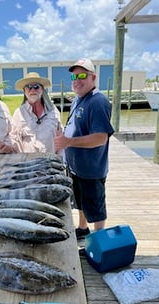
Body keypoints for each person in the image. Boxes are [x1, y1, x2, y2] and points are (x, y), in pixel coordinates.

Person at [54, 58, 114, 239]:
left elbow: (100, 138)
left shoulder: (98, 102)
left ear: (93, 77)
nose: (76, 80)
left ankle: (99, 240)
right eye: (74, 76)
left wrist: (68, 142)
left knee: (95, 207)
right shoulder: (78, 99)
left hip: (91, 169)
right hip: (76, 167)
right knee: (80, 202)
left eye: (82, 75)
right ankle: (82, 228)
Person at [12, 72, 63, 153]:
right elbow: (15, 141)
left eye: (36, 87)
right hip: (28, 163)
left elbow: (60, 137)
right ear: (24, 91)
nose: (32, 90)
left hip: (50, 162)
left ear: (42, 89)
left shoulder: (54, 111)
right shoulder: (18, 113)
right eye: (29, 87)